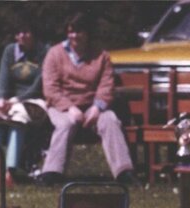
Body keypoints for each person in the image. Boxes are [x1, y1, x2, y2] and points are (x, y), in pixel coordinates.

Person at [38, 12, 137, 186]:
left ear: (88, 33)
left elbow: (106, 85)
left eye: (79, 32)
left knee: (110, 120)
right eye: (71, 31)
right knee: (66, 124)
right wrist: (70, 108)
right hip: (62, 106)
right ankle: (52, 173)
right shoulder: (54, 54)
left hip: (92, 106)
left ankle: (124, 172)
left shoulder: (101, 56)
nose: (74, 36)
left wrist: (97, 108)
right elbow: (50, 88)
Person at [0, 20, 49, 176]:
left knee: (18, 117)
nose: (22, 36)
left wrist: (15, 101)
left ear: (34, 34)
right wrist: (1, 100)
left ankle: (11, 169)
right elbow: (3, 79)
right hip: (10, 101)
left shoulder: (44, 52)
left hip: (35, 100)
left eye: (26, 32)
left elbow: (38, 85)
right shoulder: (10, 51)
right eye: (18, 33)